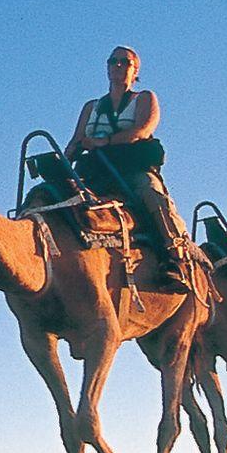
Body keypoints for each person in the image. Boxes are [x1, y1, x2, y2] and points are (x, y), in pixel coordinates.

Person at [66, 46, 196, 284]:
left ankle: (175, 256)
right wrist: (66, 159)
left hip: (132, 167)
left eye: (125, 62)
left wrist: (103, 142)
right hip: (96, 171)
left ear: (135, 70)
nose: (117, 66)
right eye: (113, 61)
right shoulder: (91, 107)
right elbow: (76, 139)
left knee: (150, 193)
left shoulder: (143, 98)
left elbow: (142, 130)